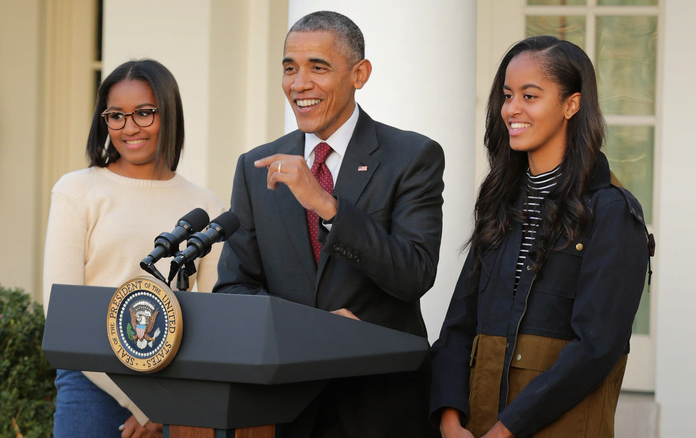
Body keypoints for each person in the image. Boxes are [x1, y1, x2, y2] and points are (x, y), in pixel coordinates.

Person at [213, 10, 444, 437]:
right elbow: (234, 287)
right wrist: (308, 332)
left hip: (381, 407)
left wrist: (328, 206)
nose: (299, 84)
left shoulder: (412, 157)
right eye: (289, 68)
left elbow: (414, 273)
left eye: (318, 67)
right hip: (286, 409)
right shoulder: (255, 167)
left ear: (359, 73)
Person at [430, 36, 652, 438]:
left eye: (530, 96)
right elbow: (458, 327)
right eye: (508, 95)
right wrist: (449, 420)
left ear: (572, 104)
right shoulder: (501, 204)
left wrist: (507, 430)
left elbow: (596, 346)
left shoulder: (613, 211)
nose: (512, 109)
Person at [42, 59, 224, 438]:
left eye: (144, 113)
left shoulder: (204, 205)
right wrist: (142, 407)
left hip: (176, 392)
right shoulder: (77, 191)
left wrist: (165, 407)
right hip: (92, 386)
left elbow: (210, 318)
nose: (129, 128)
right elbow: (62, 314)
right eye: (116, 116)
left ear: (168, 113)